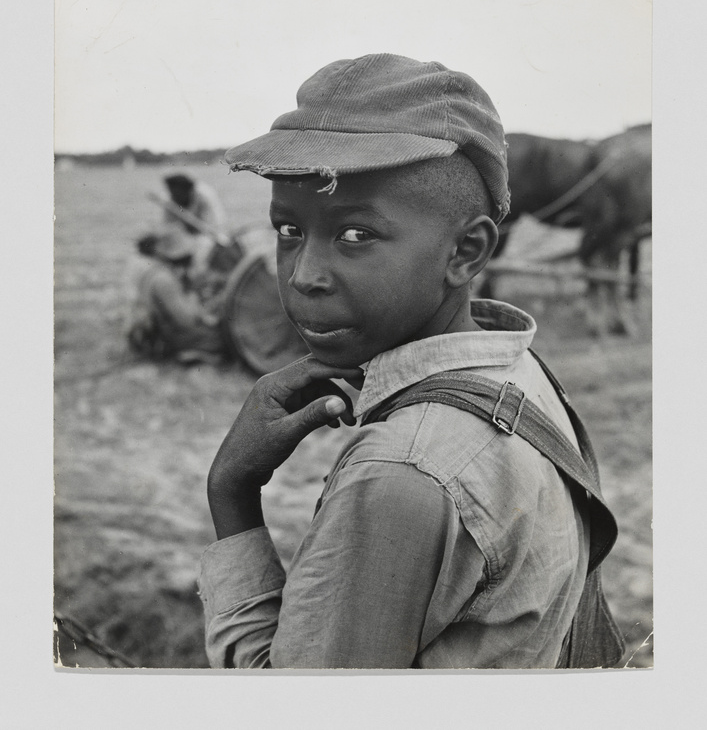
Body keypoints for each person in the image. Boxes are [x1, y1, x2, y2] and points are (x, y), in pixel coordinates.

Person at [198, 53, 620, 669]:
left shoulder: (401, 471)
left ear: (466, 251)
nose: (304, 275)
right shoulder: (519, 372)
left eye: (354, 236)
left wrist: (231, 493)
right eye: (288, 231)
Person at [127, 228, 225, 364]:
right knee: (222, 339)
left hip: (159, 330)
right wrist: (194, 298)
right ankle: (191, 352)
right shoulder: (164, 279)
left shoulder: (158, 272)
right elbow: (186, 320)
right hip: (160, 339)